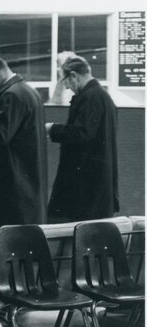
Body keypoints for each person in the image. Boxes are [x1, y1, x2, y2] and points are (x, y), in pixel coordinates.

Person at [0, 55, 48, 243]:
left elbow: (0, 134)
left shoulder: (11, 95)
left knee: (9, 248)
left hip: (12, 190)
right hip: (25, 189)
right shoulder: (25, 91)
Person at [47, 56, 119, 221]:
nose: (66, 86)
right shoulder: (101, 96)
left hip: (86, 183)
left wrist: (53, 129)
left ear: (74, 76)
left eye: (65, 81)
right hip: (95, 181)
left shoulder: (91, 97)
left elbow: (81, 134)